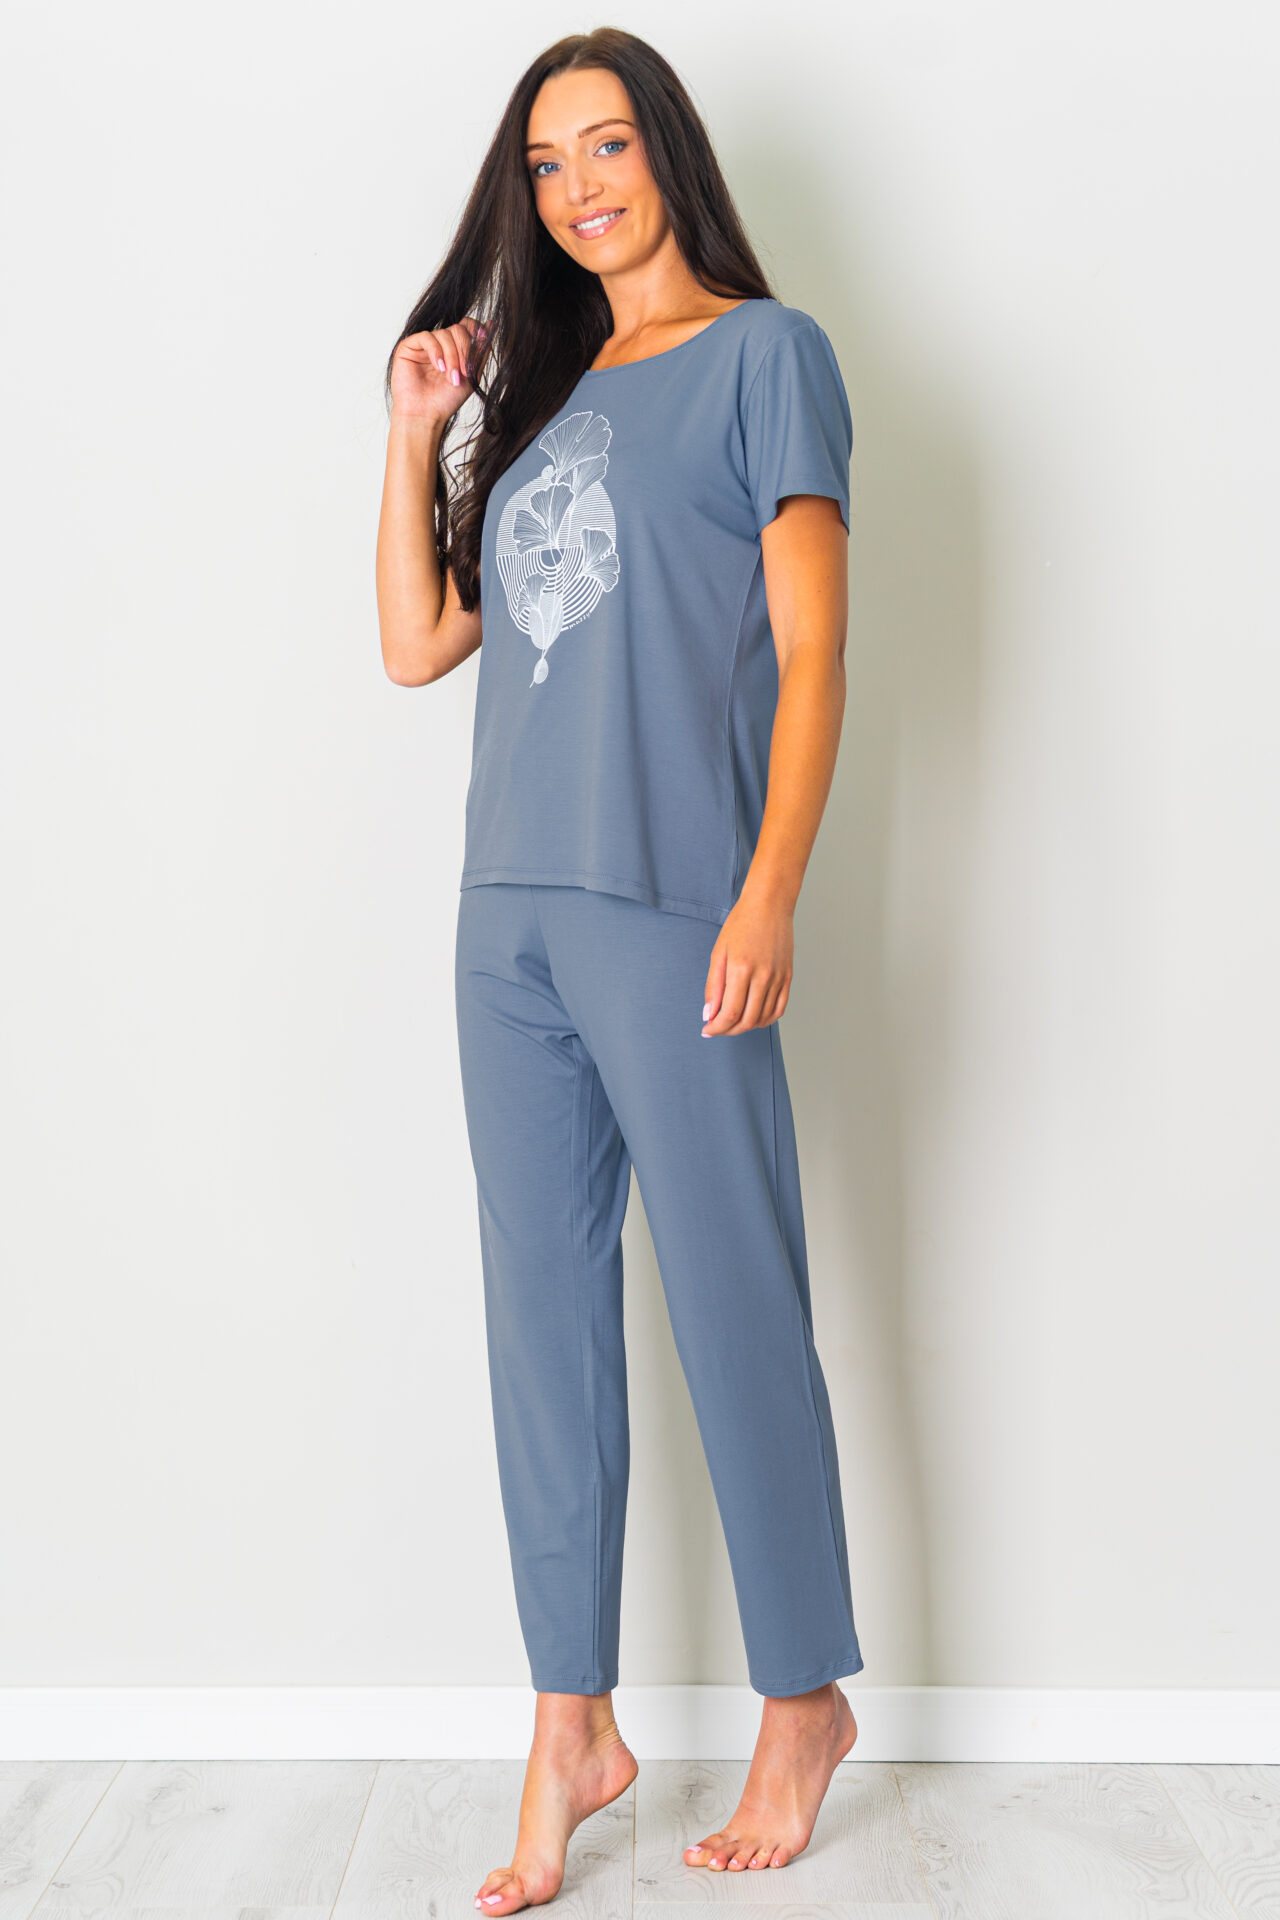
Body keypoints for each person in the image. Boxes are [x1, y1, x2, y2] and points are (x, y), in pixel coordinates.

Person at [375, 26, 864, 1913]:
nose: (579, 187)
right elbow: (418, 646)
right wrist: (416, 429)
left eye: (606, 146)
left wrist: (771, 891)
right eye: (547, 162)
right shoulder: (553, 394)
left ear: (668, 151)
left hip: (674, 903)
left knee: (737, 1300)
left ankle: (803, 1700)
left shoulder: (768, 357)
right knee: (545, 1330)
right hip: (505, 916)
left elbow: (813, 653)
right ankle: (569, 1724)